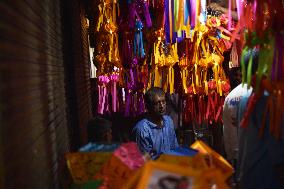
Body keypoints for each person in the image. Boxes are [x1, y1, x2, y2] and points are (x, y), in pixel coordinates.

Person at [237, 50, 284, 188]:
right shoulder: (267, 98)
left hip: (249, 175)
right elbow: (277, 149)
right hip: (267, 178)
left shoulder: (246, 98)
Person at [222, 50, 257, 183]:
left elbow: (227, 128)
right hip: (253, 157)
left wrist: (230, 154)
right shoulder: (257, 95)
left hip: (236, 155)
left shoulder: (231, 96)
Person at [133, 87, 179, 159]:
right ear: (148, 106)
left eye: (163, 102)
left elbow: (175, 149)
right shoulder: (143, 129)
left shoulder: (168, 121)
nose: (161, 106)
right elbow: (145, 161)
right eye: (157, 103)